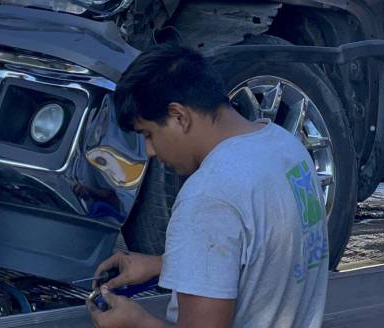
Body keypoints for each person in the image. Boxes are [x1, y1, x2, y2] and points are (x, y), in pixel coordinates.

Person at [88, 44, 329, 328]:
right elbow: (265, 257)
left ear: (179, 116)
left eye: (148, 134)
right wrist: (162, 265)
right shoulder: (286, 147)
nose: (150, 151)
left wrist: (136, 323)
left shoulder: (207, 196)